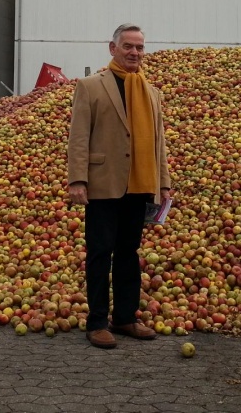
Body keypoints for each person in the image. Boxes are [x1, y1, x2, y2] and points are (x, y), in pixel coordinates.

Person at [67, 24, 173, 348]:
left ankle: (125, 318)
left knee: (129, 253)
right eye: (128, 46)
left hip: (140, 183)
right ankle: (96, 322)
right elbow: (79, 137)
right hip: (103, 183)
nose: (134, 53)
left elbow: (159, 143)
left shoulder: (152, 93)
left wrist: (164, 185)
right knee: (100, 252)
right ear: (112, 49)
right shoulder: (90, 86)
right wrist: (77, 179)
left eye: (140, 48)